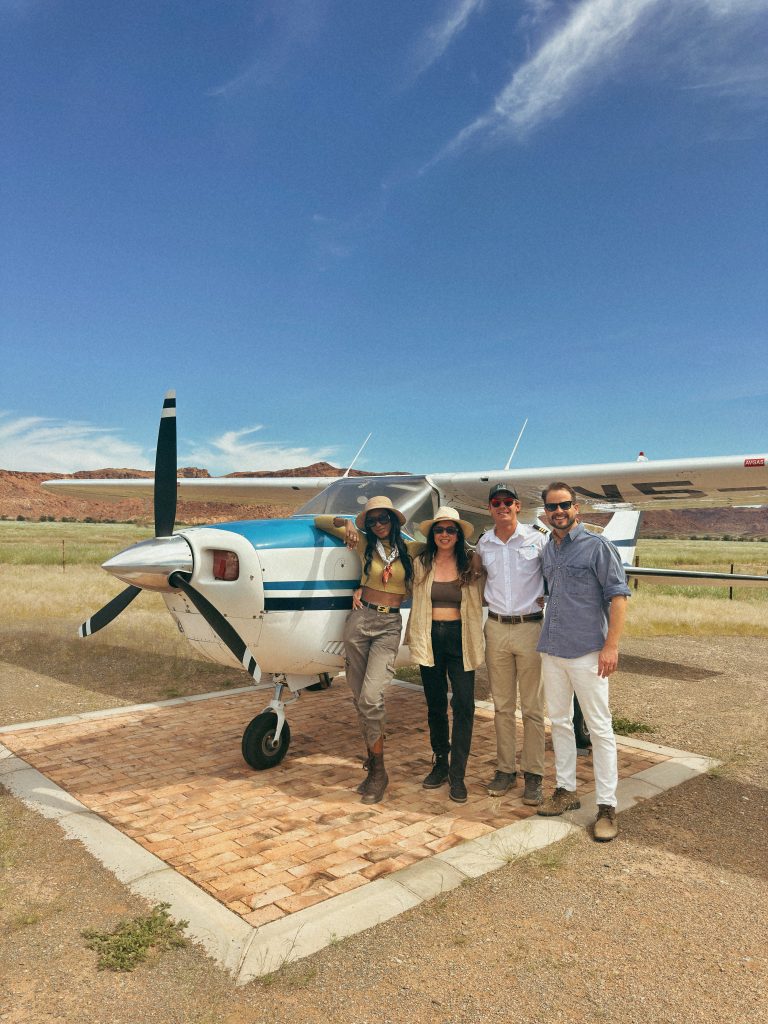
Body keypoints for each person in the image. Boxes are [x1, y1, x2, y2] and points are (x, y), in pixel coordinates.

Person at [535, 482, 631, 842]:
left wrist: (612, 646)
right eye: (551, 507)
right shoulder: (549, 549)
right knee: (559, 721)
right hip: (553, 649)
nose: (558, 512)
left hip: (589, 651)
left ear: (576, 508)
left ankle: (606, 806)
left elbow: (619, 597)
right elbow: (551, 593)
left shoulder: (597, 546)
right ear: (545, 512)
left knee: (599, 727)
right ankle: (565, 790)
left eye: (564, 506)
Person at [314, 496, 421, 804]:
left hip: (389, 626)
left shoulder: (410, 551)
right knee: (360, 699)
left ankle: (379, 773)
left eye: (383, 519)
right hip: (360, 622)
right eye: (372, 521)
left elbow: (444, 549)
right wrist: (347, 522)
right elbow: (321, 521)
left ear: (394, 521)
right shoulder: (363, 544)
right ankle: (372, 763)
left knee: (372, 698)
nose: (378, 525)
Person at [405, 507, 485, 804]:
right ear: (432, 534)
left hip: (460, 637)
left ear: (459, 535)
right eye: (439, 530)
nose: (445, 535)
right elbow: (401, 547)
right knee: (435, 705)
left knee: (464, 704)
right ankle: (440, 761)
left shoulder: (471, 564)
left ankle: (458, 774)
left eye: (451, 530)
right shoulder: (421, 562)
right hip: (430, 637)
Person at [475, 484, 547, 805]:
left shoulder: (537, 539)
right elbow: (475, 579)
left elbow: (554, 574)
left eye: (507, 502)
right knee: (502, 707)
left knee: (532, 707)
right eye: (496, 503)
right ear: (489, 508)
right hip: (496, 627)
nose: (502, 507)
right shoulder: (484, 543)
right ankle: (505, 769)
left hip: (530, 627)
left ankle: (534, 774)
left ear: (517, 506)